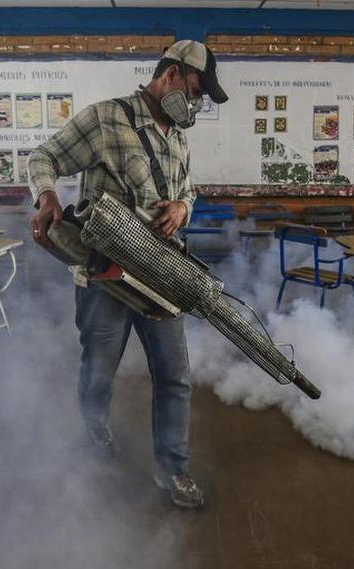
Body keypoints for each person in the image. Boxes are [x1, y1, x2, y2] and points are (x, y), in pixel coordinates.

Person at [27, 41, 228, 509]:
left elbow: (190, 193)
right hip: (104, 279)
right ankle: (93, 428)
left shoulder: (179, 136)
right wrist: (47, 197)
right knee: (99, 372)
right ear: (172, 75)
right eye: (195, 91)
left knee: (175, 378)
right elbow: (44, 158)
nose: (195, 103)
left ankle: (173, 470)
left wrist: (183, 207)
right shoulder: (105, 119)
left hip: (163, 278)